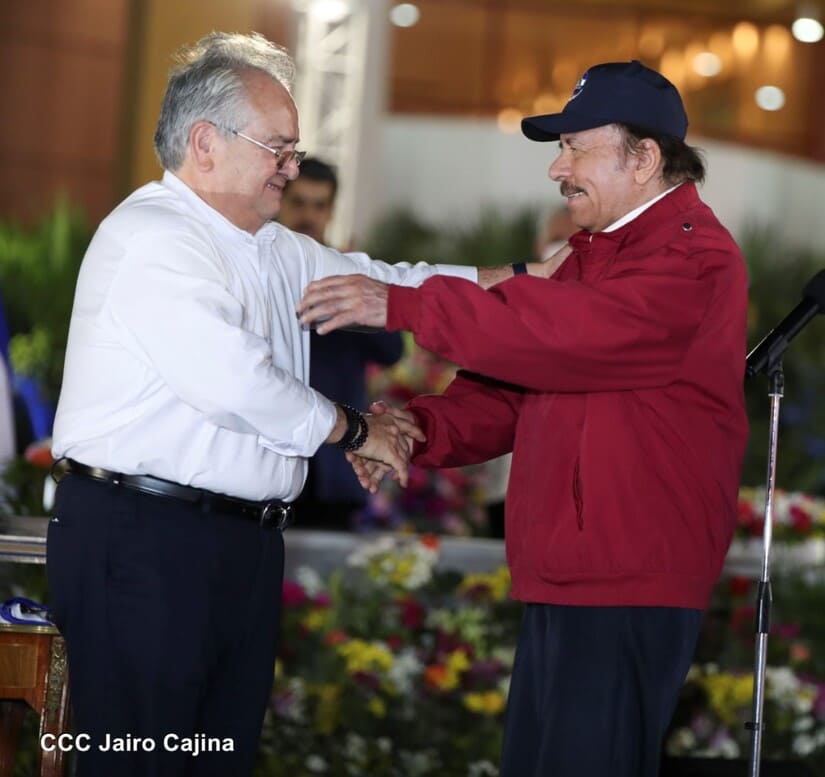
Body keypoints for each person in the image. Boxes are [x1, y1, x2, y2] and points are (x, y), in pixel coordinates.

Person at [47, 32, 537, 777]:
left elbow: (392, 280)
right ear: (205, 143)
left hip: (237, 542)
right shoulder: (155, 237)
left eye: (294, 150)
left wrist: (530, 279)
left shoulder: (275, 248)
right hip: (144, 537)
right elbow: (236, 383)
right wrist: (358, 430)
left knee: (218, 756)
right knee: (141, 759)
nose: (292, 167)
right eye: (277, 148)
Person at [297, 60, 749, 776]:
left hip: (627, 579)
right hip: (569, 572)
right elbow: (512, 387)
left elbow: (561, 335)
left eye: (574, 148)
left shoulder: (693, 258)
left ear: (643, 159)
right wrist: (419, 430)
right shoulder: (591, 258)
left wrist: (405, 303)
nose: (556, 169)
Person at [279, 158, 404, 529]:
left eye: (319, 205)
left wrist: (353, 292)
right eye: (299, 203)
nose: (308, 216)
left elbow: (391, 352)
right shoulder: (258, 271)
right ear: (280, 201)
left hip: (334, 465)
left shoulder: (349, 275)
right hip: (272, 458)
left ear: (331, 211)